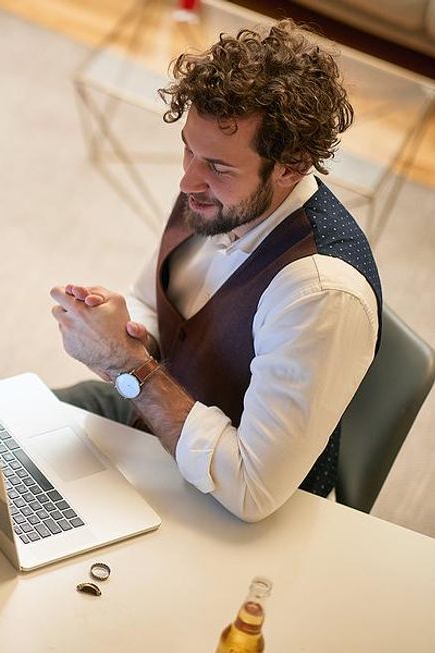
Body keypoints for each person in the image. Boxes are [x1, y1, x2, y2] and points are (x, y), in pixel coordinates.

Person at [50, 20, 382, 522]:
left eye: (218, 166)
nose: (188, 179)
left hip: (224, 500)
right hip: (151, 421)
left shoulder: (320, 294)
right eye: (188, 147)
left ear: (291, 167)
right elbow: (156, 304)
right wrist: (119, 328)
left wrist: (127, 368)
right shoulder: (218, 194)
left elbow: (252, 491)